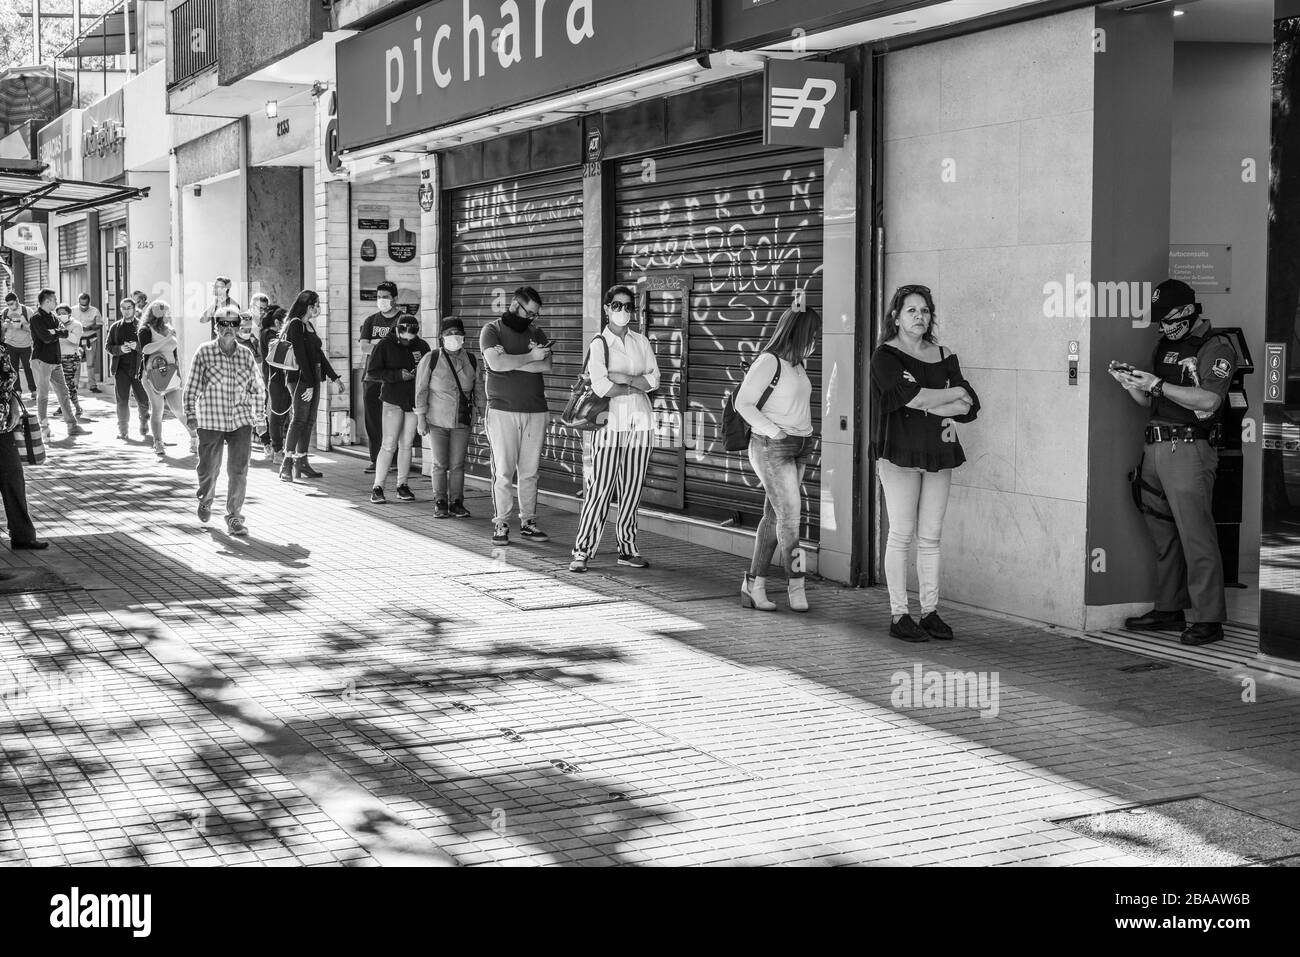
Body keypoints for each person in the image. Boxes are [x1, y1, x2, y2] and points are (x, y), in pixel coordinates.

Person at [1112, 278, 1237, 647]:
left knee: (1196, 535)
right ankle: (1169, 608)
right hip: (1155, 447)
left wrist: (1155, 385)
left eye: (1167, 317)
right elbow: (1149, 402)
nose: (1163, 326)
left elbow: (1209, 401)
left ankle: (1210, 618)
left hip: (1188, 450)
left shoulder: (1216, 346)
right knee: (1163, 534)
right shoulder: (1164, 346)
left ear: (1185, 311)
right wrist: (1131, 383)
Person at [868, 285, 979, 641]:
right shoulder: (885, 355)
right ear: (896, 317)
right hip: (898, 452)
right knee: (901, 535)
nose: (919, 317)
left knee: (931, 537)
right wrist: (941, 398)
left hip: (939, 452)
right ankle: (900, 615)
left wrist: (926, 401)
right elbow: (909, 396)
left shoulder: (944, 354)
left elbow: (970, 404)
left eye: (925, 311)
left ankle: (930, 611)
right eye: (911, 310)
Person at [568, 286, 661, 573]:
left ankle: (628, 548)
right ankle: (583, 549)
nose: (624, 311)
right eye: (617, 305)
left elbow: (654, 379)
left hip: (640, 423)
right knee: (601, 488)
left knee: (632, 489)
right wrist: (634, 381)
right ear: (607, 308)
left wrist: (624, 379)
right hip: (609, 423)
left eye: (628, 306)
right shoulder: (599, 343)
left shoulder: (641, 341)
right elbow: (601, 386)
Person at [736, 307, 822, 614]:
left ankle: (754, 584)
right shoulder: (768, 361)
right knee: (791, 517)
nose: (816, 340)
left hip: (799, 447)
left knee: (775, 518)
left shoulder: (798, 365)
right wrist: (774, 433)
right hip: (773, 447)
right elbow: (742, 403)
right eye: (813, 334)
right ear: (800, 333)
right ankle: (795, 585)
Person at [183, 307, 266, 536]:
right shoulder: (204, 352)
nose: (228, 329)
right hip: (211, 419)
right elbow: (191, 387)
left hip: (240, 420)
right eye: (223, 324)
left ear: (238, 327)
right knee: (209, 468)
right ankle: (206, 498)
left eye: (232, 325)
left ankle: (234, 518)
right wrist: (190, 414)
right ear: (215, 327)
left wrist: (260, 418)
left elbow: (257, 388)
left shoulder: (246, 355)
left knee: (239, 471)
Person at [481, 286, 553, 546]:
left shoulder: (537, 332)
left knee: (530, 472)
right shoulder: (492, 330)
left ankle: (528, 521)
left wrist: (515, 360)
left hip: (535, 409)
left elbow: (546, 365)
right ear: (515, 305)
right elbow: (495, 364)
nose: (532, 318)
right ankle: (500, 523)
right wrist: (530, 357)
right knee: (503, 471)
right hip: (502, 410)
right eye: (529, 312)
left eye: (536, 314)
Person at [415, 316, 486, 518]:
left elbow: (479, 388)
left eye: (457, 333)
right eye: (449, 333)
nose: (454, 337)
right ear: (441, 337)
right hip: (437, 420)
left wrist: (483, 412)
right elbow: (420, 390)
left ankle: (457, 502)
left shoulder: (471, 359)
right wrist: (421, 418)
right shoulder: (432, 358)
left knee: (457, 464)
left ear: (463, 336)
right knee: (439, 463)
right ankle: (440, 501)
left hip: (462, 420)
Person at [365, 316, 431, 504]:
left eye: (411, 338)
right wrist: (397, 375)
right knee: (388, 443)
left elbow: (428, 371)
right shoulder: (384, 345)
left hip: (413, 401)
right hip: (392, 399)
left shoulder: (422, 346)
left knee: (407, 444)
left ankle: (402, 485)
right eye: (404, 338)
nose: (407, 341)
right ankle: (378, 487)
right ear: (397, 331)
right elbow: (372, 372)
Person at [280, 290, 343, 482]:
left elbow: (319, 355)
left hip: (313, 376)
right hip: (300, 378)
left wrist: (334, 378)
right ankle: (287, 463)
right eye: (316, 304)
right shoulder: (296, 324)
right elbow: (299, 354)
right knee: (299, 419)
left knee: (309, 421)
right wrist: (307, 383)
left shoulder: (309, 325)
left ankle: (302, 462)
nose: (319, 308)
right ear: (308, 305)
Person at [139, 299, 199, 459]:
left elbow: (174, 353)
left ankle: (195, 438)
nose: (168, 315)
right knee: (157, 410)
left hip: (171, 373)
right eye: (165, 312)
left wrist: (179, 372)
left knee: (178, 409)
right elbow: (145, 349)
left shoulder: (170, 329)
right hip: (152, 374)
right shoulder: (145, 329)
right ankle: (158, 442)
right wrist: (166, 339)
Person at [0, 346, 46, 549]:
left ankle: (23, 535)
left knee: (14, 478)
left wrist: (14, 406)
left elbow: (9, 382)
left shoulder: (1, 348)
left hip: (3, 426)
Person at [358, 281, 405, 474]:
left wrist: (376, 345)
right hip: (372, 378)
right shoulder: (371, 320)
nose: (381, 300)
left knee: (395, 420)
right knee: (374, 420)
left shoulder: (403, 320)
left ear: (394, 298)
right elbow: (363, 347)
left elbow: (402, 345)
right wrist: (386, 345)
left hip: (394, 379)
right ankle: (375, 459)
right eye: (379, 297)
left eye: (385, 297)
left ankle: (394, 459)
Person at [29, 289, 86, 441]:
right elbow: (46, 338)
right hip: (41, 360)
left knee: (63, 392)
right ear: (47, 301)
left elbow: (65, 332)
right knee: (43, 396)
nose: (56, 302)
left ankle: (72, 426)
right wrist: (56, 332)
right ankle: (44, 428)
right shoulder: (36, 318)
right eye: (54, 300)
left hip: (55, 360)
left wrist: (55, 331)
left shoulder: (53, 317)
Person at [106, 297, 151, 442]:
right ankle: (123, 430)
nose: (126, 311)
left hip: (139, 370)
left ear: (134, 308)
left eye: (129, 308)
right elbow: (108, 346)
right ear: (121, 310)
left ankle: (144, 420)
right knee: (122, 401)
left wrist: (136, 347)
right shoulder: (115, 327)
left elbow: (149, 348)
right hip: (121, 370)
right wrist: (120, 349)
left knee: (143, 400)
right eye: (123, 308)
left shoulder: (142, 326)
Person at [259, 305, 290, 465]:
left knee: (281, 414)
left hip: (280, 378)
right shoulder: (268, 334)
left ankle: (278, 447)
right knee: (276, 414)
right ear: (278, 322)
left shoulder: (272, 333)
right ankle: (275, 448)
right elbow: (278, 349)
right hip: (274, 378)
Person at [54, 303, 85, 420]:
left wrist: (63, 332)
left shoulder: (76, 325)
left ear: (69, 314)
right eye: (59, 314)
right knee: (60, 385)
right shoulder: (56, 324)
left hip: (70, 357)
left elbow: (75, 340)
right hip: (57, 357)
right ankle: (68, 406)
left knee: (68, 384)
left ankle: (74, 407)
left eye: (64, 313)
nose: (61, 316)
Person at [2, 293, 36, 399]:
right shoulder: (5, 312)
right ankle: (17, 390)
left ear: (17, 300)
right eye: (8, 304)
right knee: (13, 369)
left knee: (28, 368)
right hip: (10, 344)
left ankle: (33, 390)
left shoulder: (27, 311)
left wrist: (22, 326)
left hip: (25, 345)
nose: (10, 306)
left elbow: (35, 328)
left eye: (11, 303)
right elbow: (1, 331)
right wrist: (4, 327)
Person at [74, 292, 104, 393]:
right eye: (81, 305)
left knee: (90, 364)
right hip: (77, 341)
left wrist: (90, 327)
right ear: (78, 302)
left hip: (90, 340)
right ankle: (74, 386)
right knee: (76, 363)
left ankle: (92, 386)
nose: (83, 307)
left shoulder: (95, 311)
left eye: (85, 305)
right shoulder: (72, 310)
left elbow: (100, 324)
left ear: (89, 302)